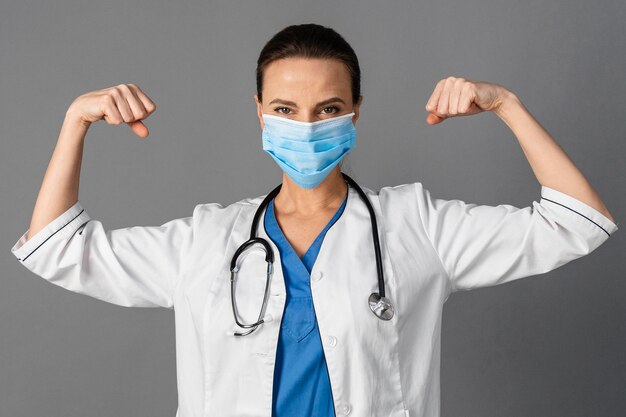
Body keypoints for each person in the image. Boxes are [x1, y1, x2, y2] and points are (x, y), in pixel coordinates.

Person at [10, 23, 618, 417]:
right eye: (284, 108)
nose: (305, 126)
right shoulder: (205, 240)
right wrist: (75, 121)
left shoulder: (418, 227)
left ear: (356, 110)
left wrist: (507, 106)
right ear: (258, 113)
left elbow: (579, 221)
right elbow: (57, 250)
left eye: (328, 108)